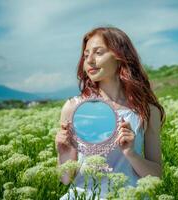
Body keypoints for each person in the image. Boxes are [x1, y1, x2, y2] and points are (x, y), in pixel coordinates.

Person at [55, 26, 166, 199]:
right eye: (85, 55)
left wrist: (131, 153)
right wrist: (63, 152)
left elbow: (156, 176)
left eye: (98, 53)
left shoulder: (147, 111)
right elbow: (65, 179)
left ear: (120, 57)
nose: (89, 60)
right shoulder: (72, 107)